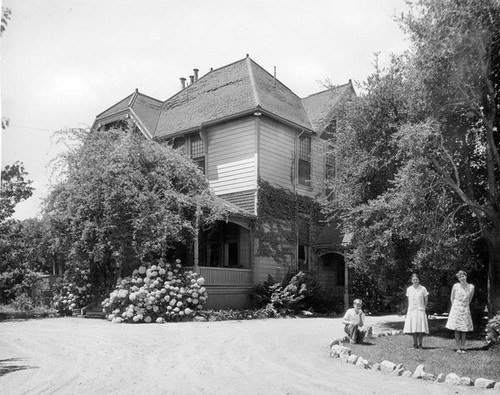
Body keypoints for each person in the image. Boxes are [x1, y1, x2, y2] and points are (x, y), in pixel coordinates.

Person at [445, 270, 474, 353]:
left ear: (466, 276)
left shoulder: (471, 287)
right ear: (458, 279)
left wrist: (464, 306)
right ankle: (458, 347)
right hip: (456, 308)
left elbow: (470, 299)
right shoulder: (456, 286)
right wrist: (455, 307)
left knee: (464, 329)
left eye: (463, 276)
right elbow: (452, 298)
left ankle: (463, 347)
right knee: (457, 329)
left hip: (465, 309)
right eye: (460, 277)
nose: (462, 278)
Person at [403, 273, 429, 349]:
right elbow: (408, 300)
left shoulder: (423, 288)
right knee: (414, 328)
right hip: (412, 310)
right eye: (414, 279)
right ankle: (415, 344)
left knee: (420, 328)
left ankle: (420, 344)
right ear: (411, 280)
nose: (415, 281)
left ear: (419, 280)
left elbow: (426, 298)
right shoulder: (409, 289)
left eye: (416, 279)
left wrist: (424, 306)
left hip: (420, 310)